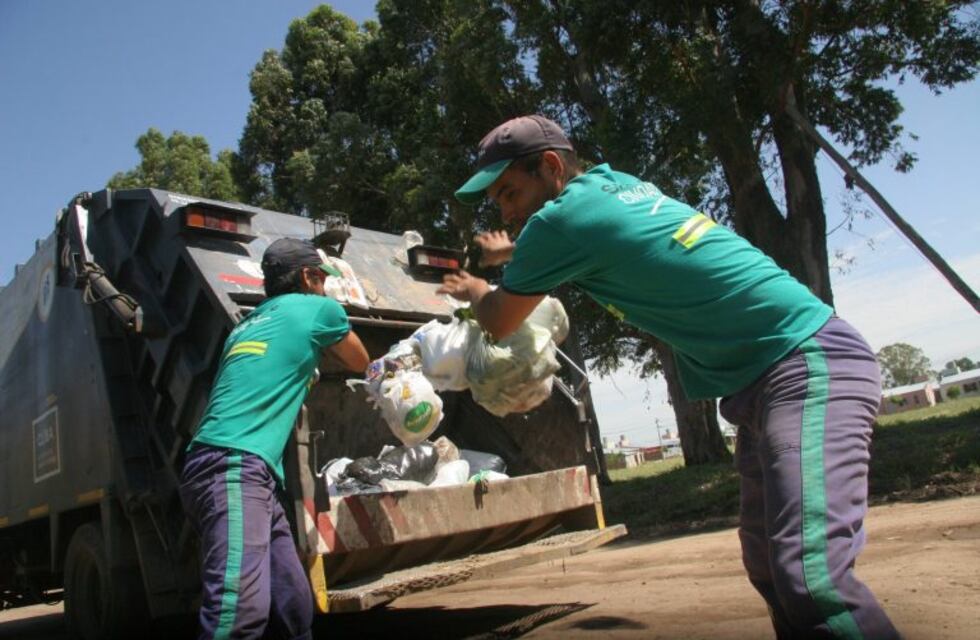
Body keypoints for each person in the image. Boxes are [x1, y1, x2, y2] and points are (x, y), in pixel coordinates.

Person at [439, 115, 898, 639]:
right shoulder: (616, 185)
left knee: (810, 577)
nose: (506, 212)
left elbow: (499, 321)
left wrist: (476, 288)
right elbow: (598, 233)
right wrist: (512, 252)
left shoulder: (556, 224)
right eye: (498, 201)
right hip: (772, 377)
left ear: (550, 167)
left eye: (510, 193)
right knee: (770, 566)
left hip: (803, 364)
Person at [180, 238, 370, 640]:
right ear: (308, 277)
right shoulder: (319, 309)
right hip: (233, 467)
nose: (325, 287)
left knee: (291, 603)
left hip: (233, 469)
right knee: (237, 613)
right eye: (322, 279)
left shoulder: (246, 324)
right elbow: (360, 361)